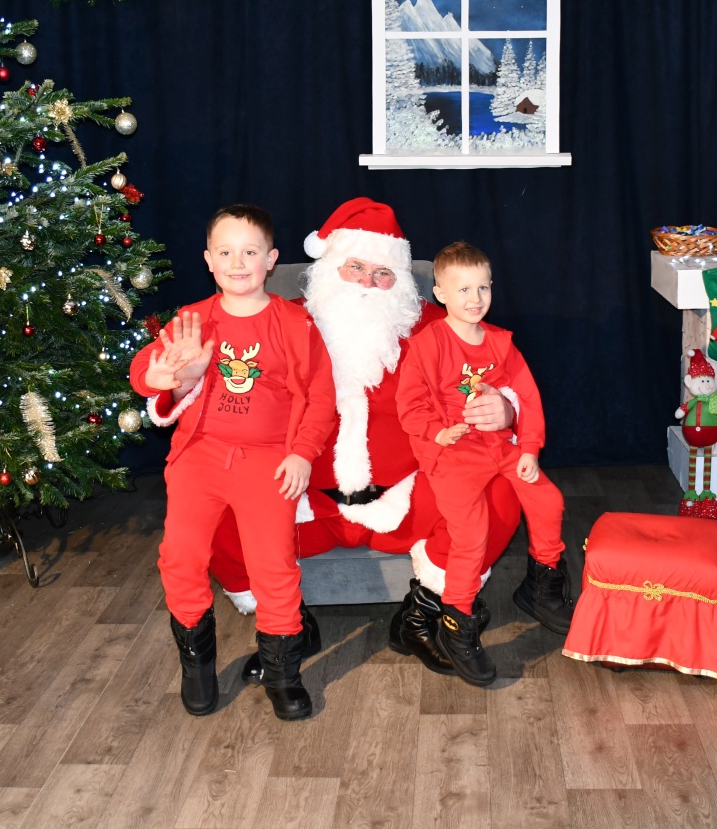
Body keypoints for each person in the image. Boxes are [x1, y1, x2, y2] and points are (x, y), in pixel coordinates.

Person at [206, 198, 522, 679]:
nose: (368, 284)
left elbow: (504, 368)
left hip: (407, 503)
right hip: (305, 505)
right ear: (330, 267)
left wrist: (506, 407)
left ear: (402, 282)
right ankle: (291, 627)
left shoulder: (435, 328)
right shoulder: (280, 321)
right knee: (209, 499)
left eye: (383, 274)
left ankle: (420, 617)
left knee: (502, 489)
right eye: (355, 267)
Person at [129, 204, 336, 721]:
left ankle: (283, 674)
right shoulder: (194, 320)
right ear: (208, 260)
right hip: (200, 458)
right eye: (225, 252)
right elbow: (146, 368)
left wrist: (302, 453)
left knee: (273, 567)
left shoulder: (294, 322)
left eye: (249, 252)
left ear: (271, 259)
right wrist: (166, 378)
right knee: (180, 557)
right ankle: (197, 665)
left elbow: (321, 397)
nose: (237, 263)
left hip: (268, 463)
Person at [396, 241, 572, 687]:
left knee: (548, 500)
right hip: (453, 455)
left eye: (483, 288)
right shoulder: (429, 344)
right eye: (463, 289)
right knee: (471, 532)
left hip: (499, 446)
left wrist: (529, 448)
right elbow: (410, 403)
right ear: (440, 293)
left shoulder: (500, 342)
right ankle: (458, 623)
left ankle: (542, 585)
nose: (475, 299)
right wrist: (437, 432)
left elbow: (527, 397)